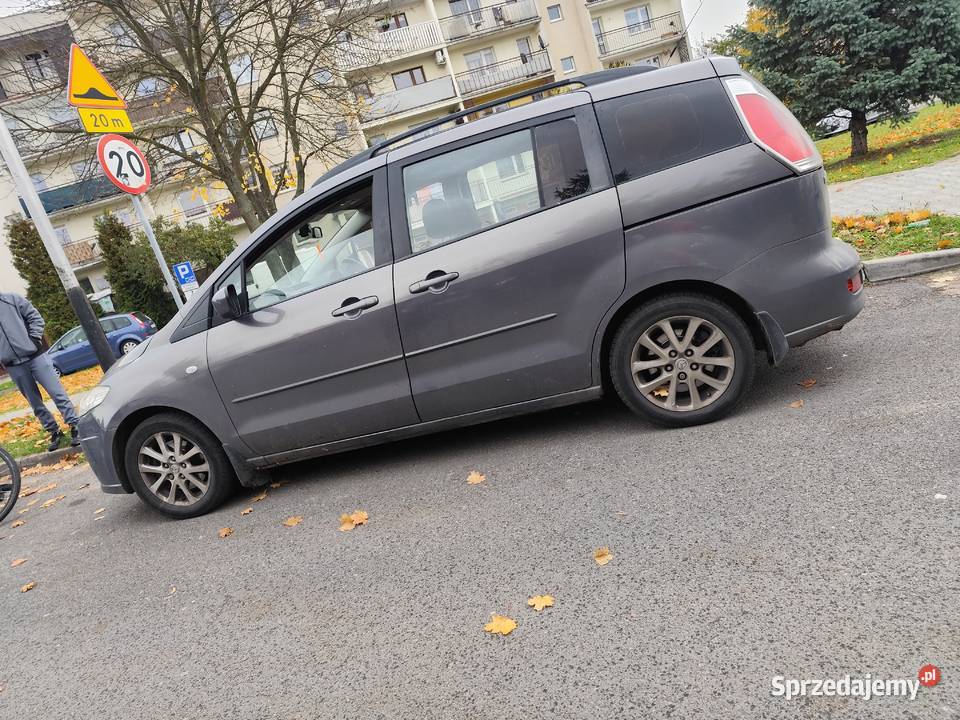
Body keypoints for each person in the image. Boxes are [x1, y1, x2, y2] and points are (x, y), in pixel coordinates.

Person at [0, 292, 80, 451]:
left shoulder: (11, 300)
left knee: (57, 393)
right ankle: (54, 431)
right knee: (35, 402)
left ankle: (75, 425)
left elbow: (35, 318)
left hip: (36, 356)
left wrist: (33, 340)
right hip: (13, 365)